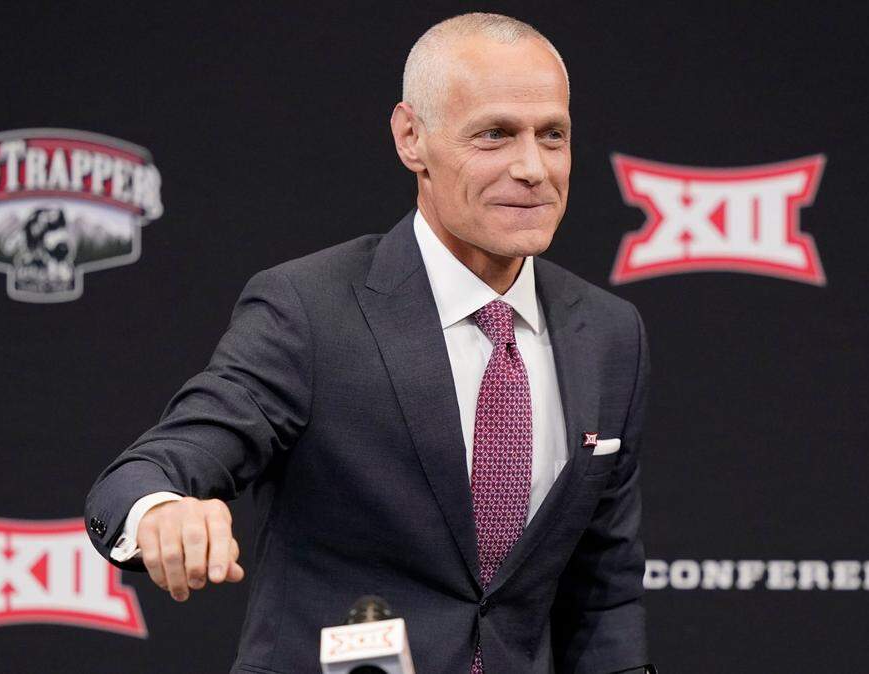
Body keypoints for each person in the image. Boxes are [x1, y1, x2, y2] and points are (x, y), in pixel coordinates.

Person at [85, 13, 652, 674]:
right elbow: (152, 467)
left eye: (552, 135)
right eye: (494, 134)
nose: (533, 168)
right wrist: (160, 511)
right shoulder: (309, 310)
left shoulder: (609, 334)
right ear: (412, 138)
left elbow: (604, 593)